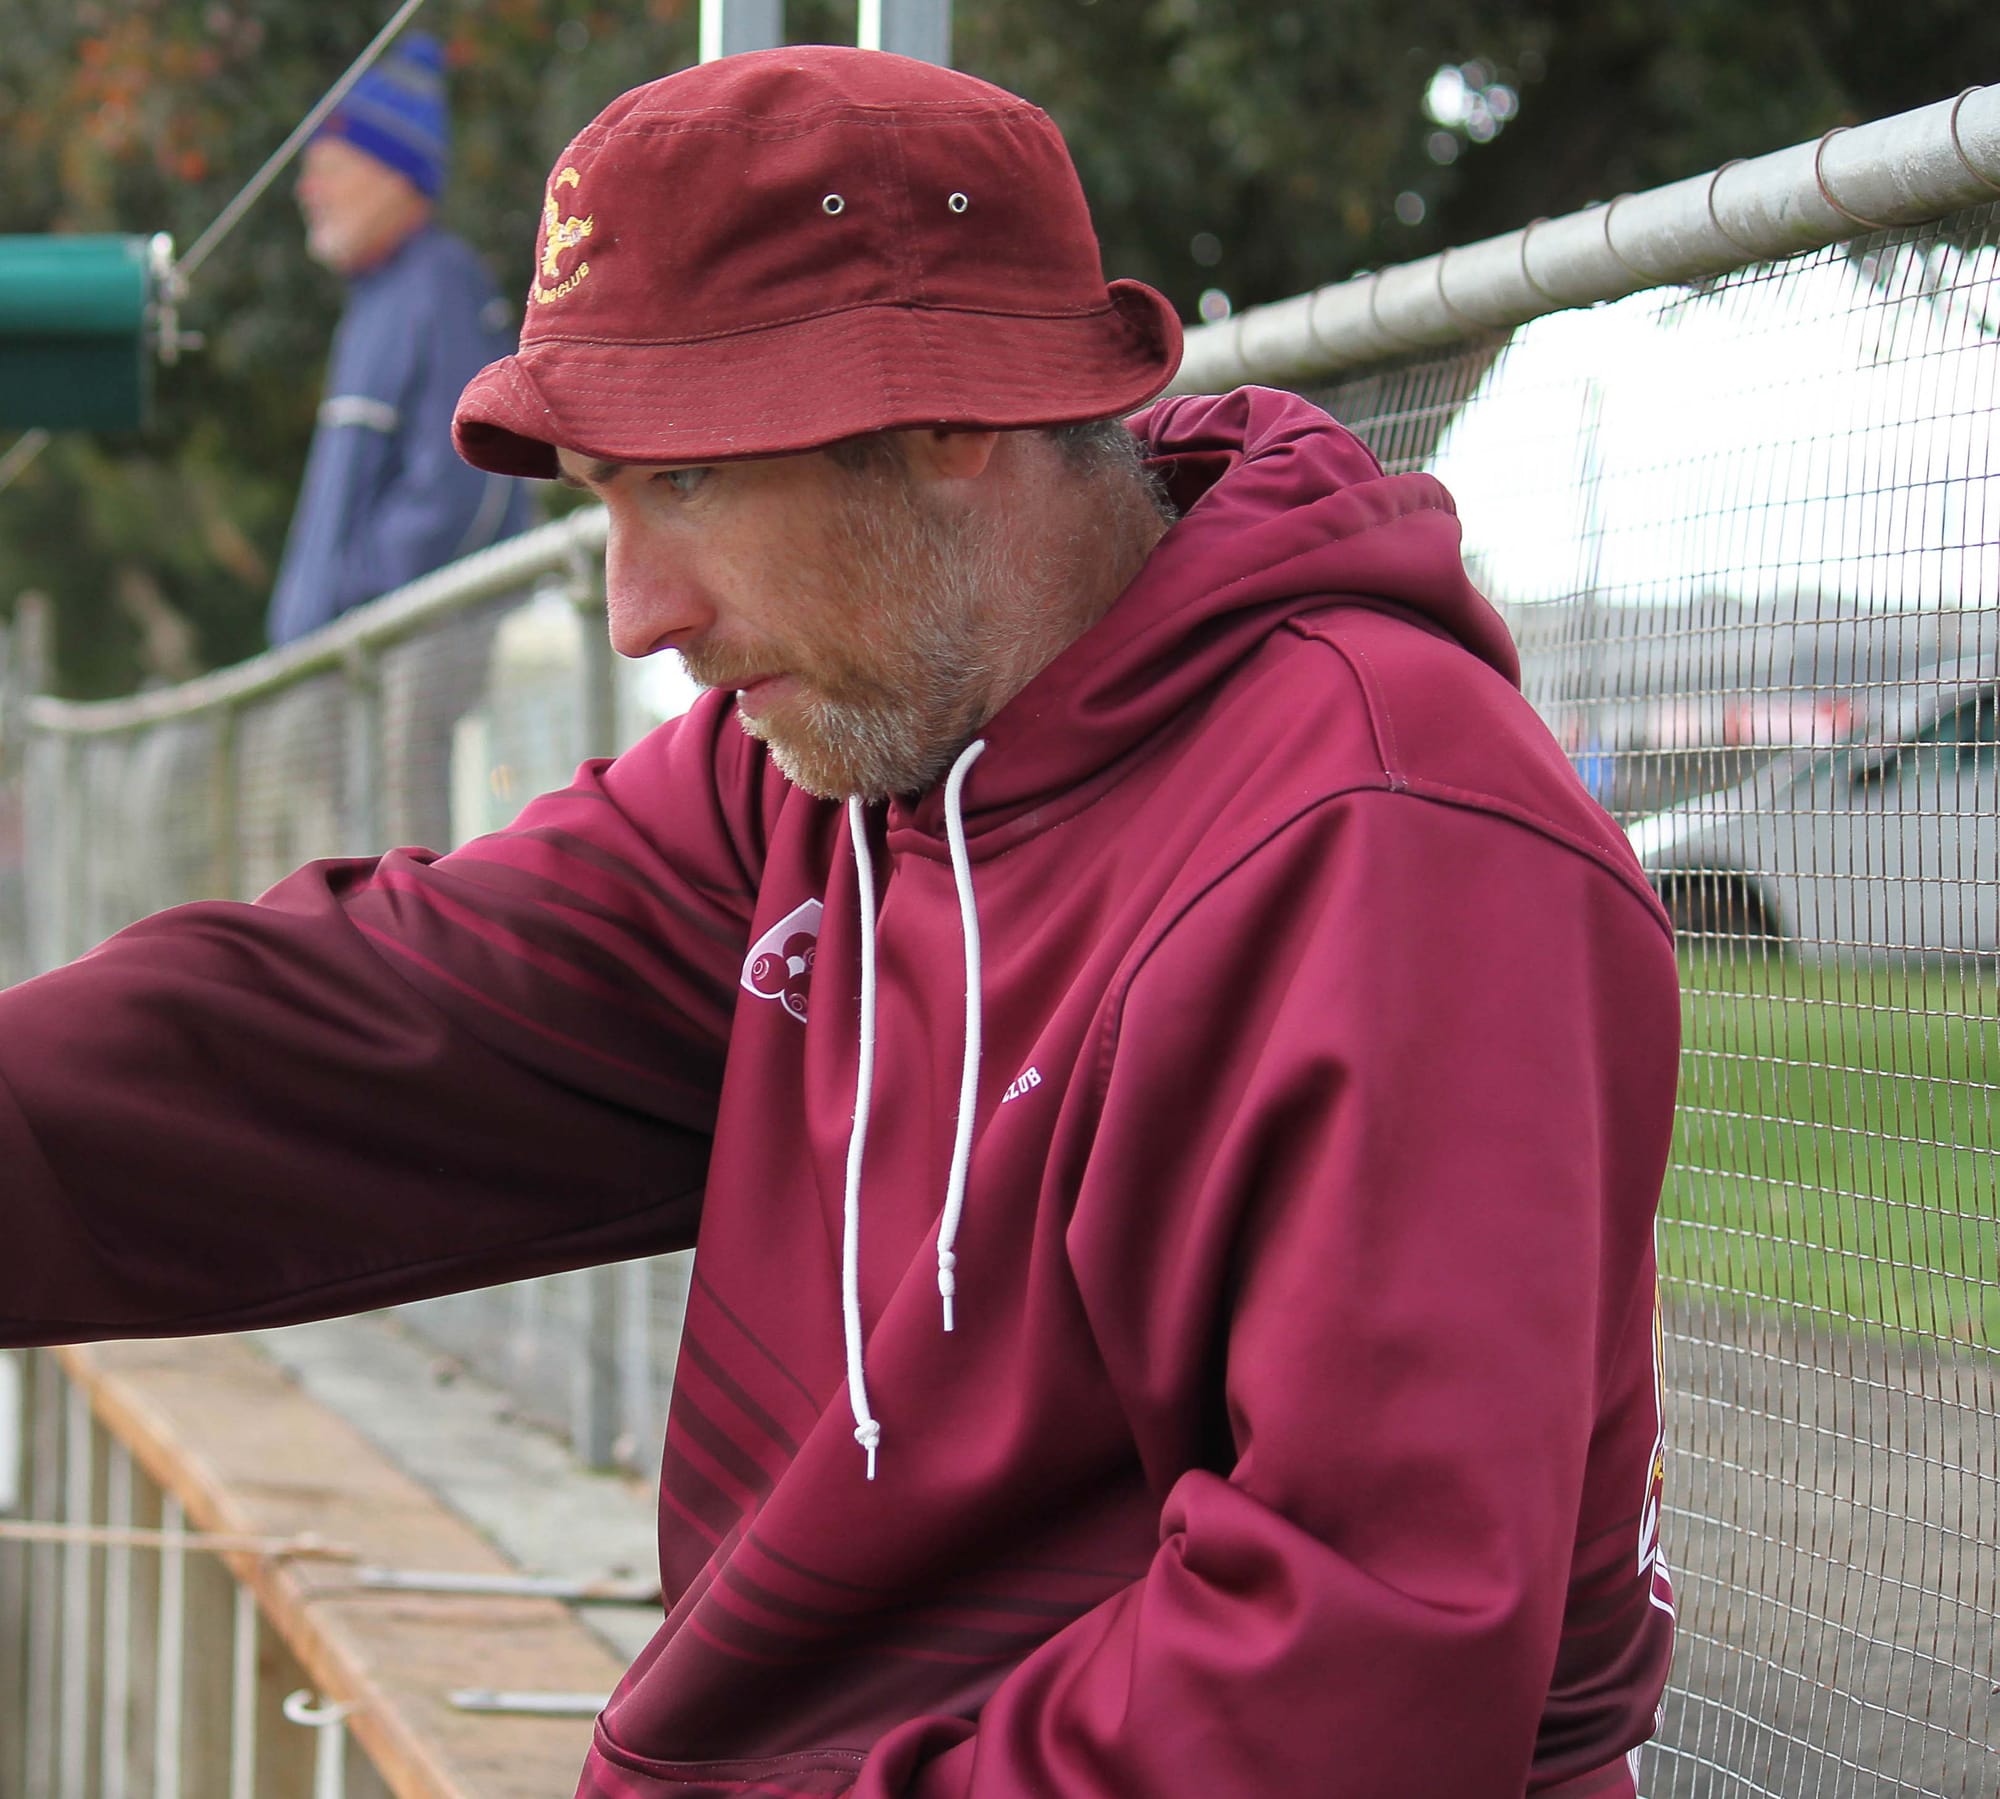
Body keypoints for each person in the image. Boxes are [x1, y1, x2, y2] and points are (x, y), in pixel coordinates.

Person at [0, 47, 1682, 1798]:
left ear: (951, 412)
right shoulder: (829, 778)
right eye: (601, 497)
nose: (638, 610)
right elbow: (350, 1024)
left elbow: (1346, 1680)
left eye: (690, 483)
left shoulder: (1388, 837)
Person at [265, 31, 529, 647]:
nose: (308, 192)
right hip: (345, 665)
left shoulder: (441, 284)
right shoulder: (373, 303)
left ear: (393, 175)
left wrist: (348, 599)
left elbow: (468, 481)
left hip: (403, 654)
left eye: (326, 169)